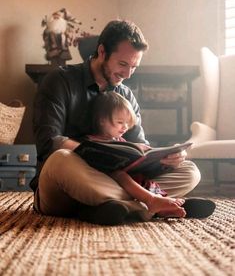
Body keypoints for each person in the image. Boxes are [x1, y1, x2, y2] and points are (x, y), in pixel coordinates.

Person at [32, 19, 214, 225]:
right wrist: (98, 154)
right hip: (64, 185)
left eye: (134, 67)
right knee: (60, 159)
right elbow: (49, 142)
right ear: (102, 52)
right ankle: (151, 204)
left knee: (189, 171)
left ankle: (111, 208)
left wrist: (164, 159)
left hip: (113, 184)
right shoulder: (60, 81)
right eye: (123, 64)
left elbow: (139, 152)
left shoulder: (125, 95)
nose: (127, 74)